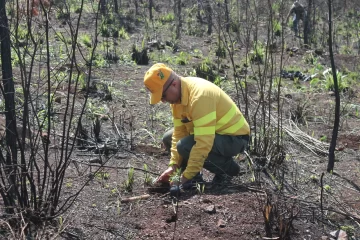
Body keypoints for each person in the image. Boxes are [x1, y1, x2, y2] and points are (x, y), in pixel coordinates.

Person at [144, 63, 250, 188]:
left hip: (235, 138)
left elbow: (203, 143)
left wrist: (185, 178)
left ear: (173, 84)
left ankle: (228, 170)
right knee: (168, 137)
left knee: (185, 146)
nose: (163, 100)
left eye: (163, 96)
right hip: (213, 133)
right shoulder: (177, 98)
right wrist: (173, 167)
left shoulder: (200, 96)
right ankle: (195, 177)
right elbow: (179, 132)